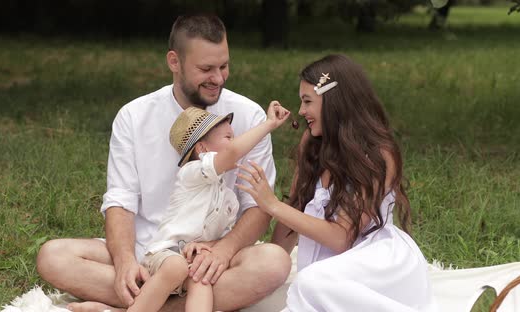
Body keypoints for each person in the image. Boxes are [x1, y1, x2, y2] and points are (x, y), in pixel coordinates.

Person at [35, 14, 291, 312]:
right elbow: (121, 200)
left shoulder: (248, 114)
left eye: (224, 66)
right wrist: (125, 262)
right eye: (206, 69)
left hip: (206, 258)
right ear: (174, 61)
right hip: (148, 251)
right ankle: (172, 302)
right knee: (53, 257)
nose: (218, 78)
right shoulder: (134, 116)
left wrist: (224, 251)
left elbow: (258, 205)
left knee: (274, 262)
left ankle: (138, 307)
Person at [236, 54, 438, 311]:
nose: (301, 111)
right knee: (307, 283)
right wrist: (270, 265)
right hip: (329, 269)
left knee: (310, 282)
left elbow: (342, 237)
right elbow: (294, 211)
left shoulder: (379, 154)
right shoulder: (311, 142)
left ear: (334, 102)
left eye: (308, 101)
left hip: (375, 262)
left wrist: (272, 204)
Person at [130, 102, 290, 312]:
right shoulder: (191, 174)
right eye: (228, 138)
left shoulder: (228, 198)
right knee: (176, 267)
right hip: (163, 256)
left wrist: (207, 246)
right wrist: (268, 124)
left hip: (190, 259)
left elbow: (223, 236)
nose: (234, 143)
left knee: (202, 277)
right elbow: (233, 152)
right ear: (202, 149)